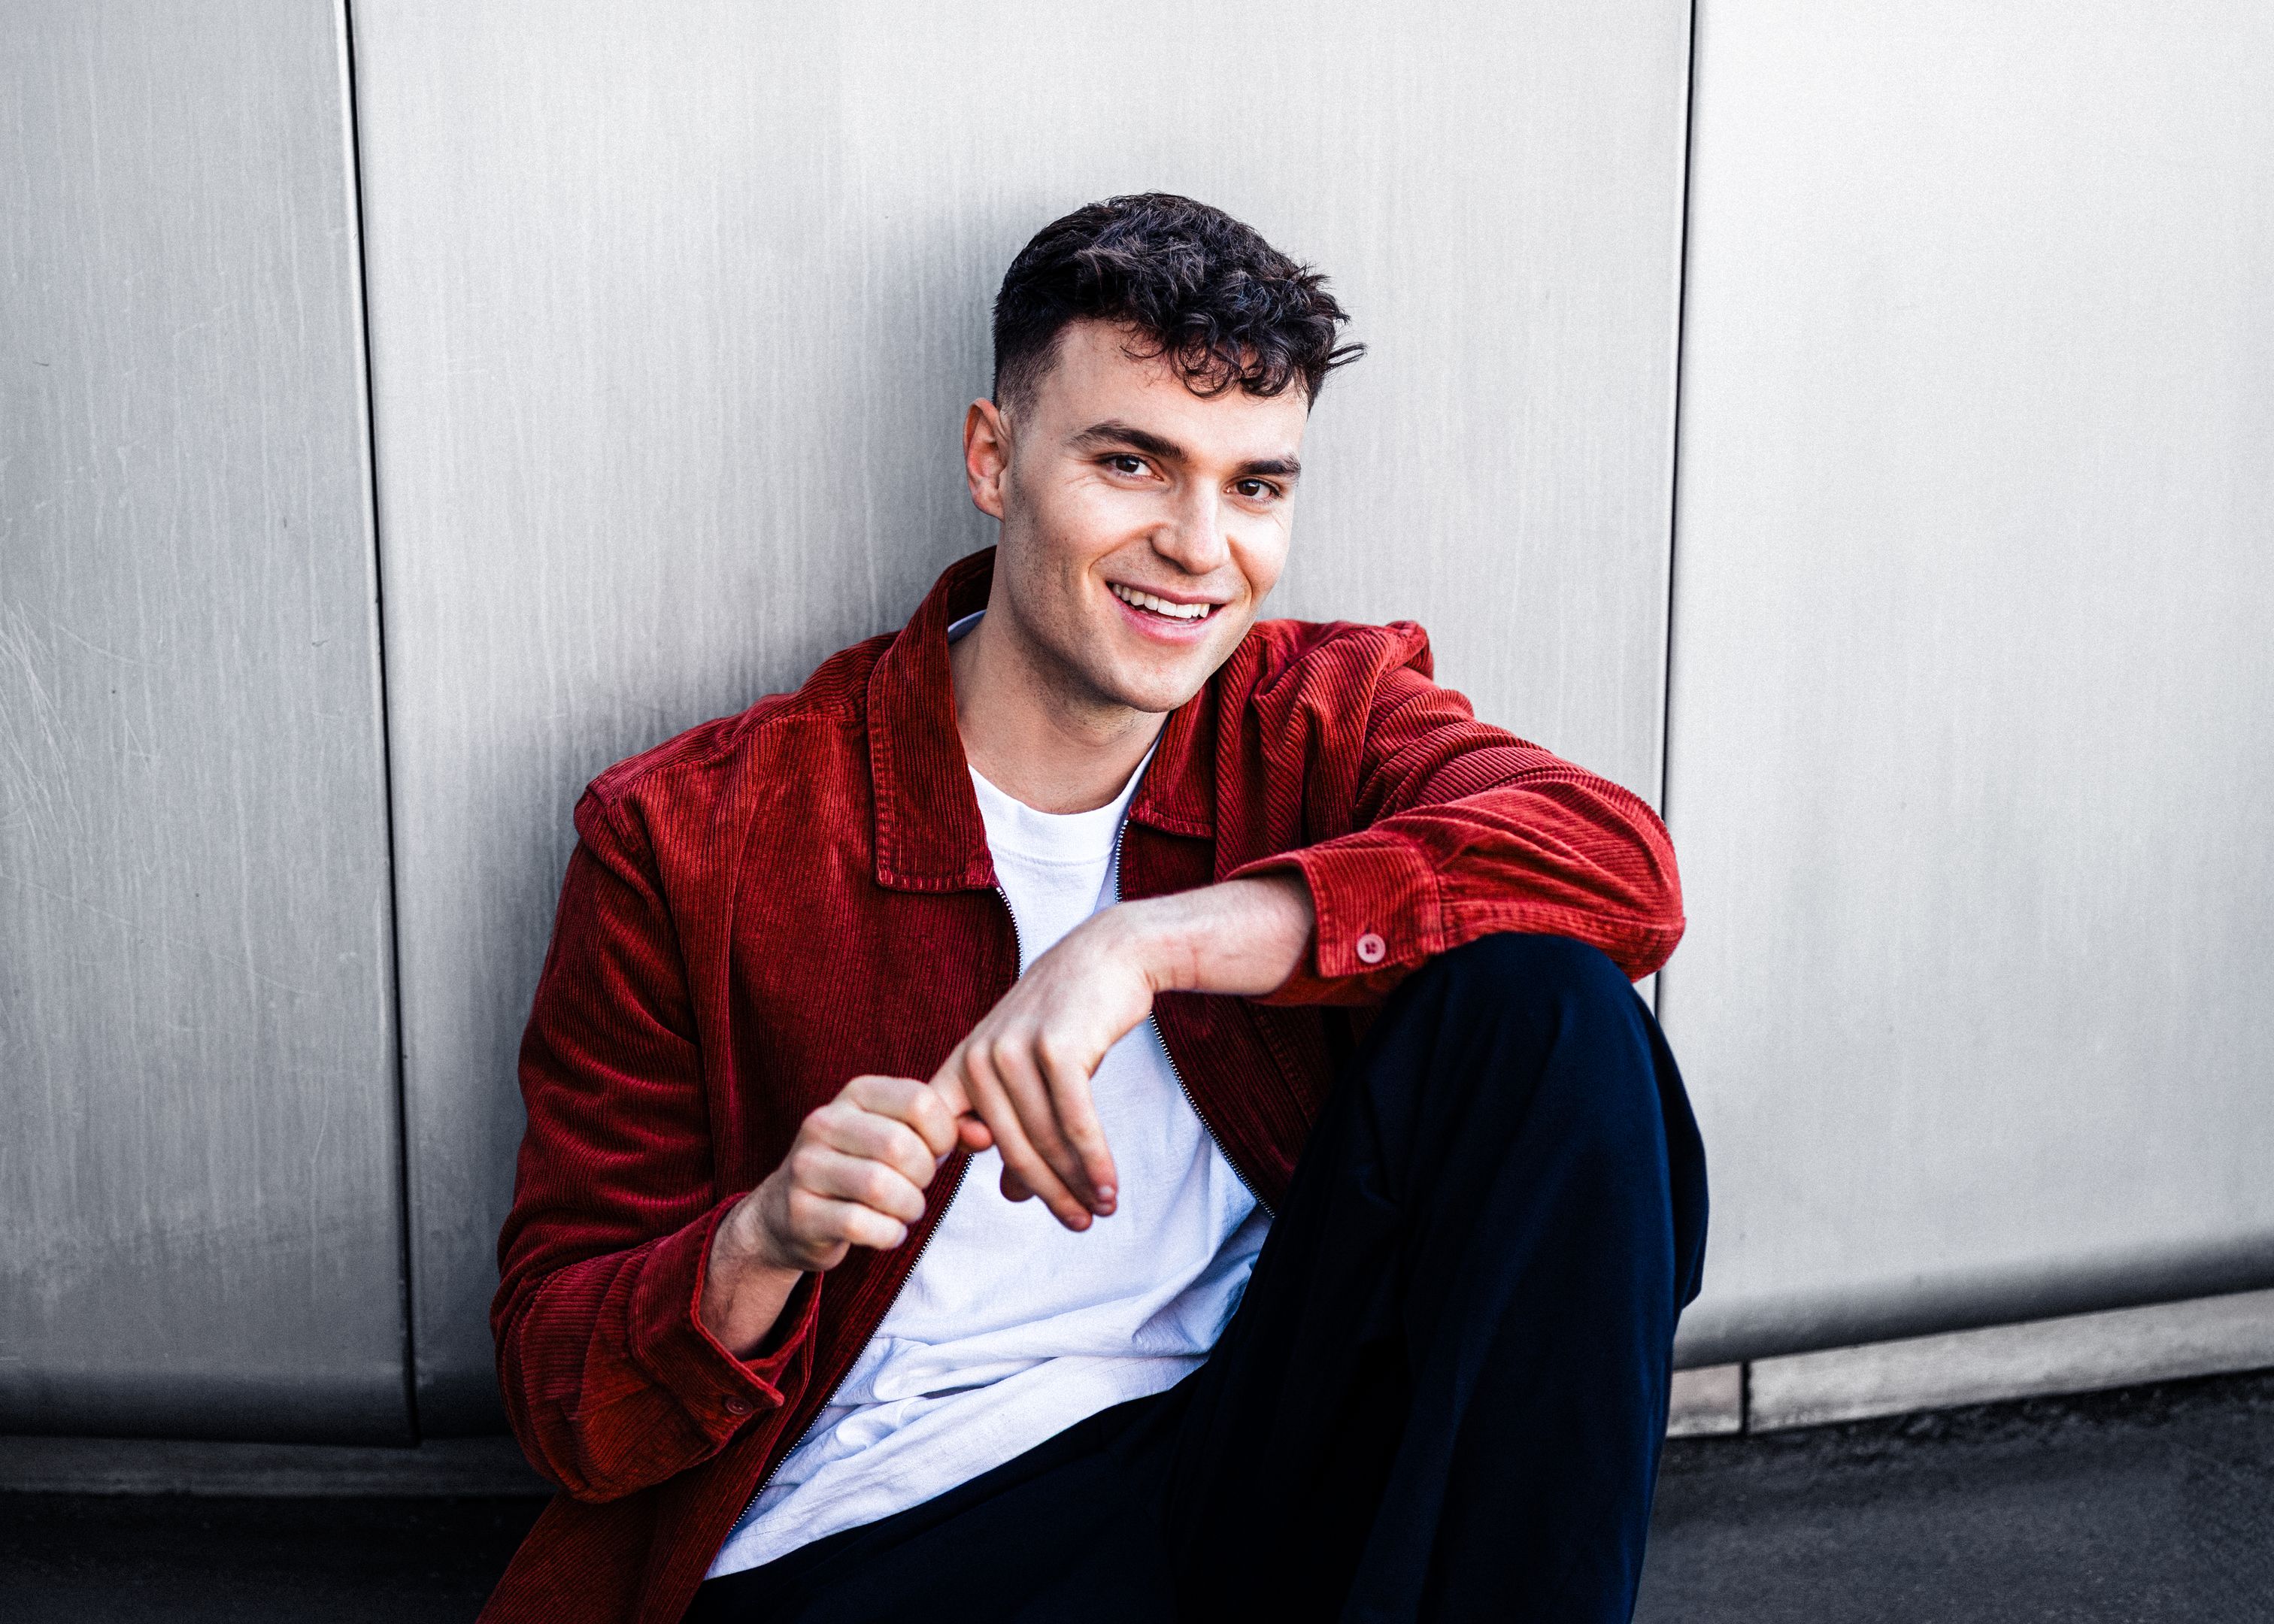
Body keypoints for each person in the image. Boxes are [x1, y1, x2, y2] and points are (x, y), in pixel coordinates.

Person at [481, 193, 1706, 1624]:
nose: (1199, 546)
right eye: (1133, 463)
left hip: (1251, 1456)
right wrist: (761, 1241)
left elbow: (1616, 864)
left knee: (1551, 1013)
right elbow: (559, 1391)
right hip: (895, 1528)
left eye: (1255, 487)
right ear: (993, 460)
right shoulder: (696, 836)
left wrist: (1150, 943)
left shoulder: (1314, 719)